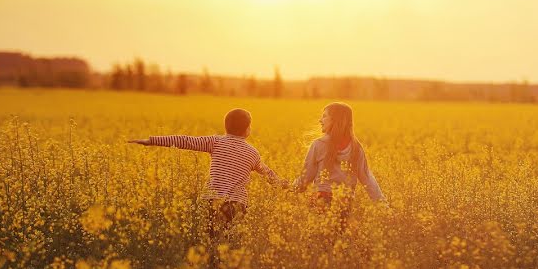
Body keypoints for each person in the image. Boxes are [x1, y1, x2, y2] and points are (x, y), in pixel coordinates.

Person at [128, 108, 286, 240]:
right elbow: (268, 173)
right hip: (237, 204)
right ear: (246, 130)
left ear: (226, 127)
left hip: (212, 200)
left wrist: (151, 141)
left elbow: (185, 141)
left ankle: (213, 265)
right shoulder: (253, 153)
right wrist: (286, 186)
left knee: (211, 239)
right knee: (230, 241)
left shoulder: (215, 141)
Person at [292, 102, 385, 222]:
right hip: (344, 205)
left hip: (321, 200)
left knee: (319, 239)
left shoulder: (319, 145)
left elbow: (306, 178)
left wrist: (292, 188)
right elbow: (368, 179)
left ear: (334, 120)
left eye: (324, 116)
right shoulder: (356, 148)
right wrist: (383, 206)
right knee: (339, 239)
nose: (320, 120)